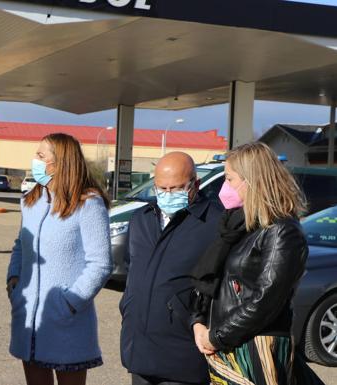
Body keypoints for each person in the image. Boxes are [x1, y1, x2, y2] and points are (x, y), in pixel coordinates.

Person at [191, 142, 310, 384]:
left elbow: (266, 300)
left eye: (230, 179)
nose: (224, 187)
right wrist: (198, 323)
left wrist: (216, 337)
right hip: (226, 344)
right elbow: (211, 282)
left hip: (255, 348)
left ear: (253, 180)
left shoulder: (282, 231)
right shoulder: (237, 226)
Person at [7, 133, 113, 385]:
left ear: (61, 163)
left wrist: (70, 302)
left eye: (41, 156)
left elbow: (100, 263)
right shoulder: (31, 200)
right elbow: (20, 245)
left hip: (67, 320)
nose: (35, 160)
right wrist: (14, 281)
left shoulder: (88, 204)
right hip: (30, 320)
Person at [119, 151, 223, 385]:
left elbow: (219, 283)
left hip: (182, 352)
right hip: (140, 349)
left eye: (175, 188)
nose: (167, 195)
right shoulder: (141, 219)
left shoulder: (214, 223)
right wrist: (128, 306)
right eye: (161, 189)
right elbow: (131, 268)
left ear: (194, 184)